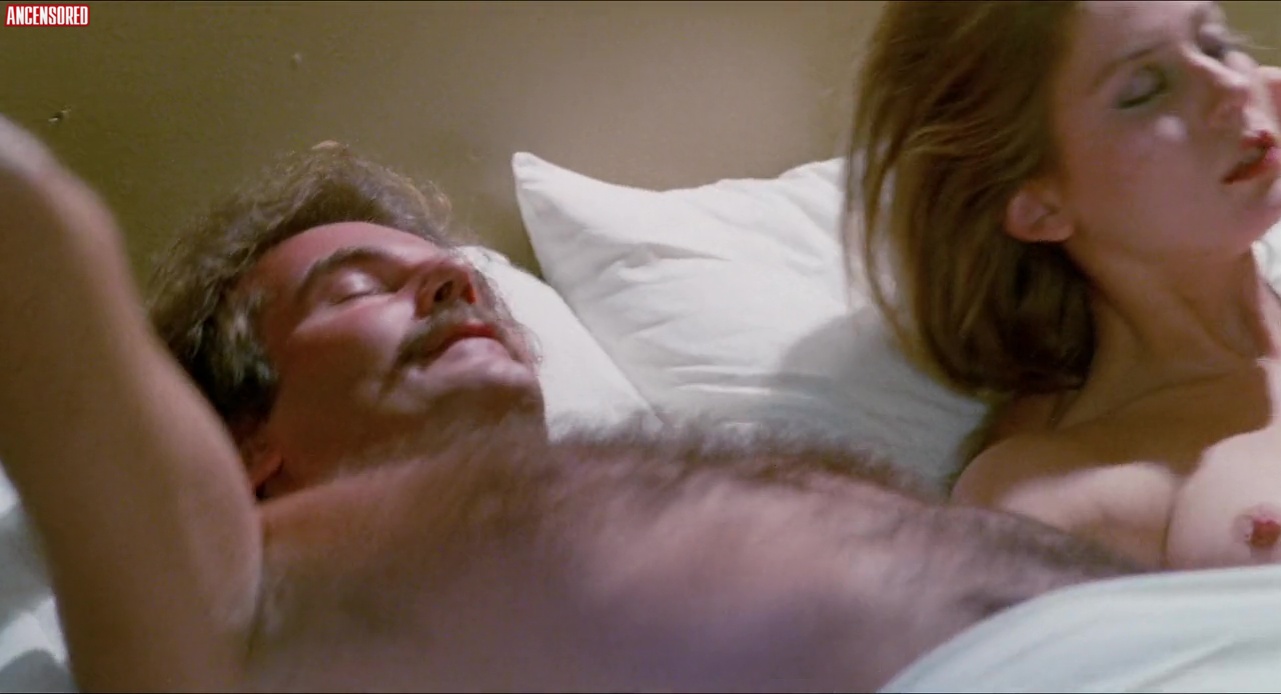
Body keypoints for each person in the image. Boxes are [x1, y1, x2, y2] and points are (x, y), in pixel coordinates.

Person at [0, 112, 1142, 691]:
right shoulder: (246, 580)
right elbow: (44, 272)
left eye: (460, 277)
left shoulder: (636, 472)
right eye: (354, 287)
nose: (451, 282)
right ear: (243, 443)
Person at [851, 0, 1281, 570]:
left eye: (1215, 45)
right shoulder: (1054, 494)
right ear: (1039, 205)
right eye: (1143, 90)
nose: (1232, 87)